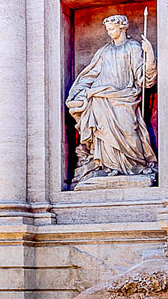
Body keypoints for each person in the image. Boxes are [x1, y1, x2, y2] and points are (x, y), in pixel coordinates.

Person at [67, 14, 159, 185]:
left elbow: (143, 78)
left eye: (112, 29)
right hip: (101, 98)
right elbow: (90, 74)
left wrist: (150, 55)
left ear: (122, 28)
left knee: (129, 132)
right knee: (103, 134)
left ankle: (133, 166)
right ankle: (107, 167)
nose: (109, 33)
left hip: (124, 98)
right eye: (107, 30)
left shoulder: (133, 48)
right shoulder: (104, 51)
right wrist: (79, 92)